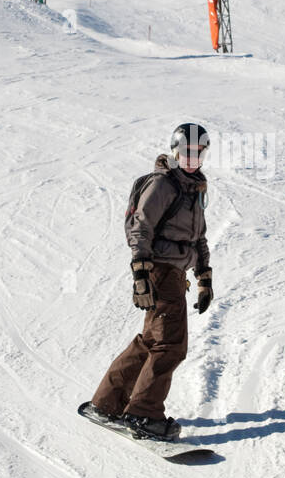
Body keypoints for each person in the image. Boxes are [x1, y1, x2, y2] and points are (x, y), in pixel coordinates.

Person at [88, 123, 213, 440]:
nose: (192, 158)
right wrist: (140, 274)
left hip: (174, 274)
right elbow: (141, 229)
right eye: (186, 152)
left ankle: (107, 403)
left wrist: (204, 278)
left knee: (151, 342)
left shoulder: (193, 188)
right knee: (170, 345)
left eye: (198, 153)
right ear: (175, 151)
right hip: (160, 271)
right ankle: (144, 415)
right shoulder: (163, 184)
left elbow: (198, 238)